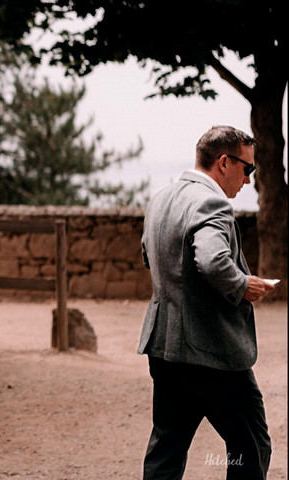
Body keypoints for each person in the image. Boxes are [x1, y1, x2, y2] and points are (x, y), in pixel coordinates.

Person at [138, 125, 274, 479]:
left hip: (164, 347)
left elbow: (148, 257)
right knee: (250, 446)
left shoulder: (162, 199)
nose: (248, 180)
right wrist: (242, 284)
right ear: (224, 162)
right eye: (248, 169)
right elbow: (212, 261)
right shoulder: (211, 203)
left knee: (166, 451)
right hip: (211, 353)